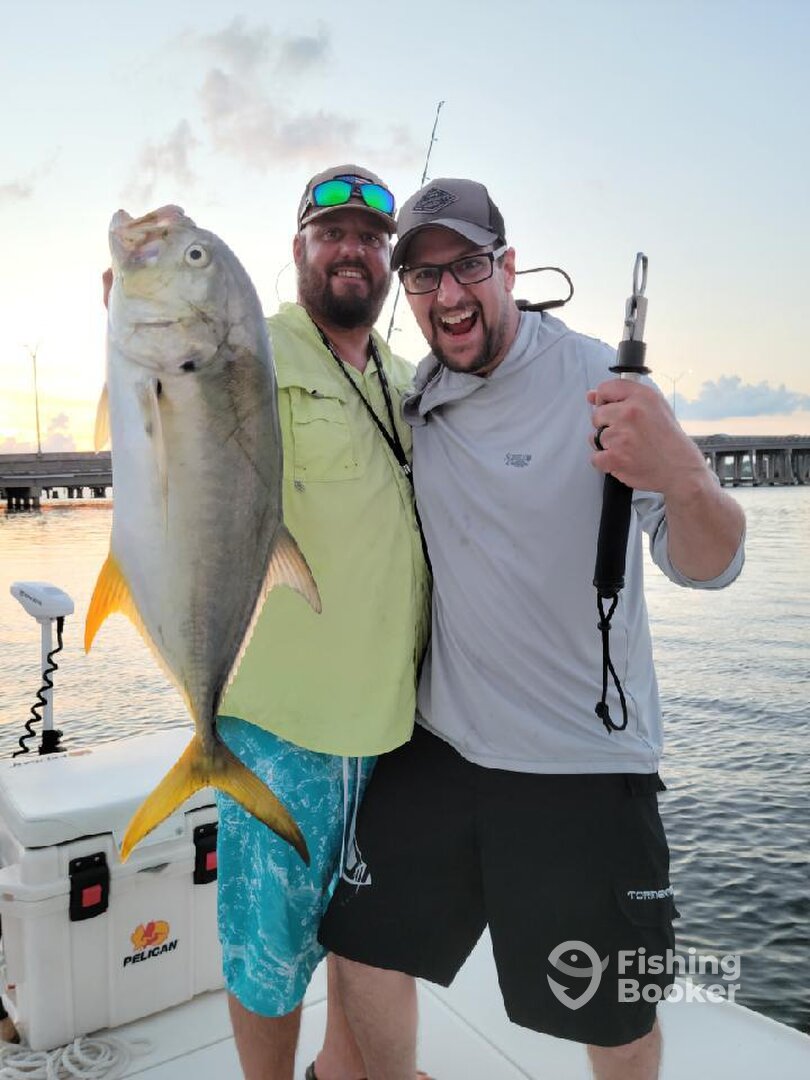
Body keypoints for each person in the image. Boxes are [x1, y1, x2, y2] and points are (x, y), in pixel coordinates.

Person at [319, 178, 746, 1080]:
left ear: (508, 267)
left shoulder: (603, 382)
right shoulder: (418, 397)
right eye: (424, 276)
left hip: (580, 759)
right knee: (359, 947)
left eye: (467, 266)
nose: (448, 294)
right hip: (442, 742)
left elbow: (711, 565)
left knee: (614, 1016)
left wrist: (684, 476)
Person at [212, 167, 430, 1079]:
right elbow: (172, 407)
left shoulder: (407, 379)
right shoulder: (248, 354)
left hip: (392, 726)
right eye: (332, 233)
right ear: (298, 248)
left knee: (365, 933)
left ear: (388, 262)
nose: (353, 250)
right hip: (282, 726)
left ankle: (341, 1070)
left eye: (371, 239)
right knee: (267, 958)